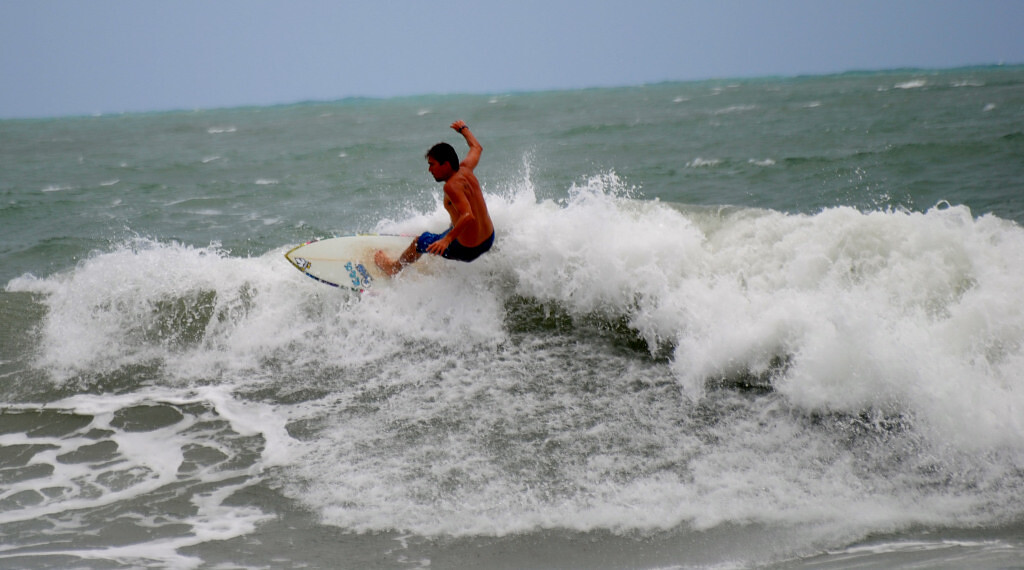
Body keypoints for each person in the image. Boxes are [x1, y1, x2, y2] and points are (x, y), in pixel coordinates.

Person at [374, 120, 495, 276]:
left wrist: (447, 240)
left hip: (468, 251)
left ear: (445, 165)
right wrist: (463, 130)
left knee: (420, 241)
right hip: (488, 240)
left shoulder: (451, 186)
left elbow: (468, 215)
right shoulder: (466, 169)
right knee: (453, 222)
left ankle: (393, 268)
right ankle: (444, 240)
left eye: (432, 164)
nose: (429, 169)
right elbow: (477, 148)